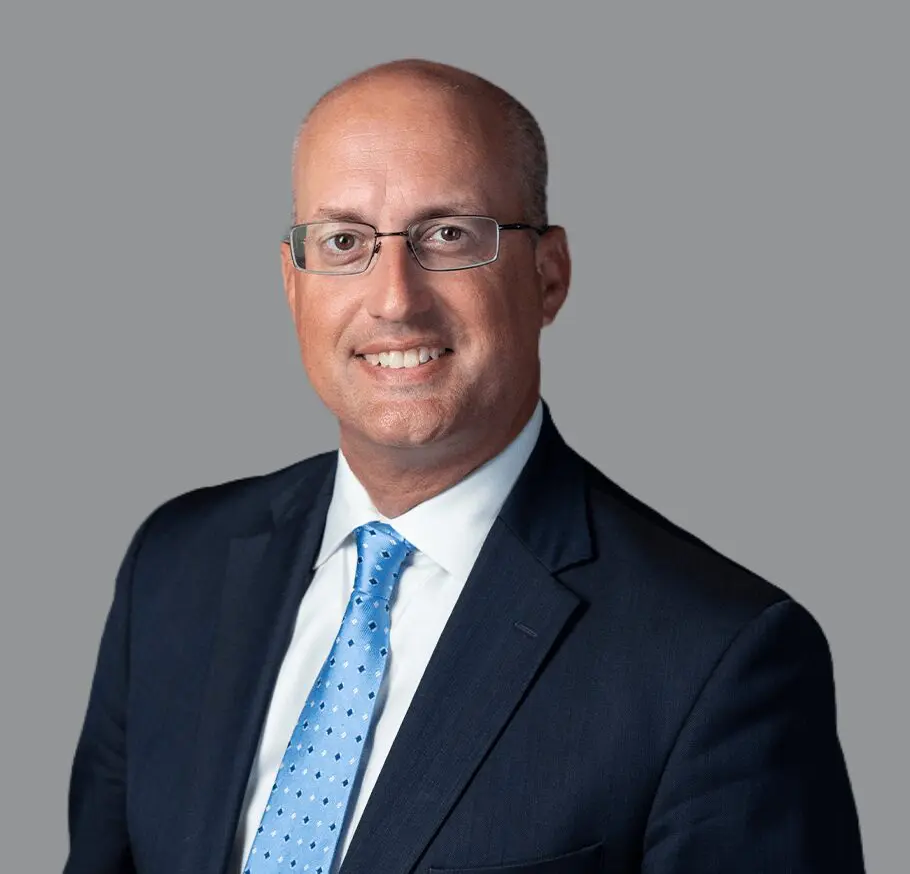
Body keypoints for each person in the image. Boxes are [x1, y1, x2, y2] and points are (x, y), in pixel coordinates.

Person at [64, 59, 865, 874]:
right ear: (293, 281)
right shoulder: (174, 568)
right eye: (343, 242)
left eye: (448, 235)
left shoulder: (718, 657)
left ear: (547, 275)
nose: (395, 300)